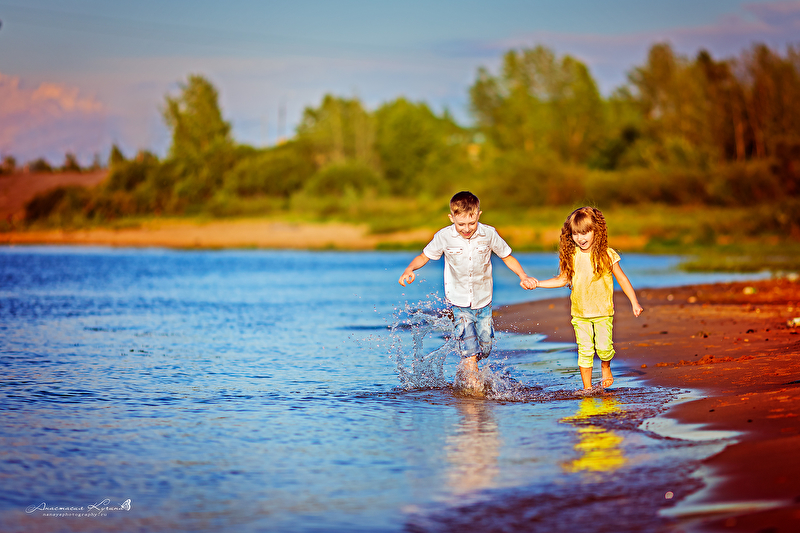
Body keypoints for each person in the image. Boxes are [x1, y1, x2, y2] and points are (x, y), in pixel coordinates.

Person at [398, 191, 537, 391]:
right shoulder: (444, 237)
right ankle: (474, 394)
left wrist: (523, 276)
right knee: (471, 352)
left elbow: (507, 257)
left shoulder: (489, 234)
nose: (466, 229)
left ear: (478, 215)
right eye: (460, 224)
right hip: (459, 303)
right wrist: (409, 269)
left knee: (486, 347)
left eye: (471, 223)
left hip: (484, 302)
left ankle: (466, 366)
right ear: (451, 217)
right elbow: (424, 256)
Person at [535, 207, 643, 393]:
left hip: (603, 312)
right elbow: (562, 279)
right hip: (580, 313)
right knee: (584, 351)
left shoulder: (607, 255)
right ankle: (587, 388)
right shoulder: (572, 256)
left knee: (604, 348)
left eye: (585, 232)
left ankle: (605, 366)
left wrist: (634, 301)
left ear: (596, 231)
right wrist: (537, 283)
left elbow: (622, 279)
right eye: (576, 233)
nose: (580, 238)